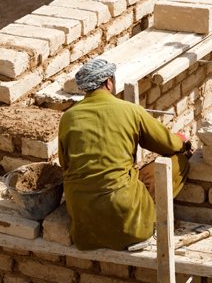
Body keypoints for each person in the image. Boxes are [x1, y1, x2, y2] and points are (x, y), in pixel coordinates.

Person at [58, 59, 191, 251]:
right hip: (129, 224)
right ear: (109, 82)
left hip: (84, 221)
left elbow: (65, 165)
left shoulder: (68, 117)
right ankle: (149, 217)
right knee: (179, 162)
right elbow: (168, 145)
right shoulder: (131, 111)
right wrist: (181, 140)